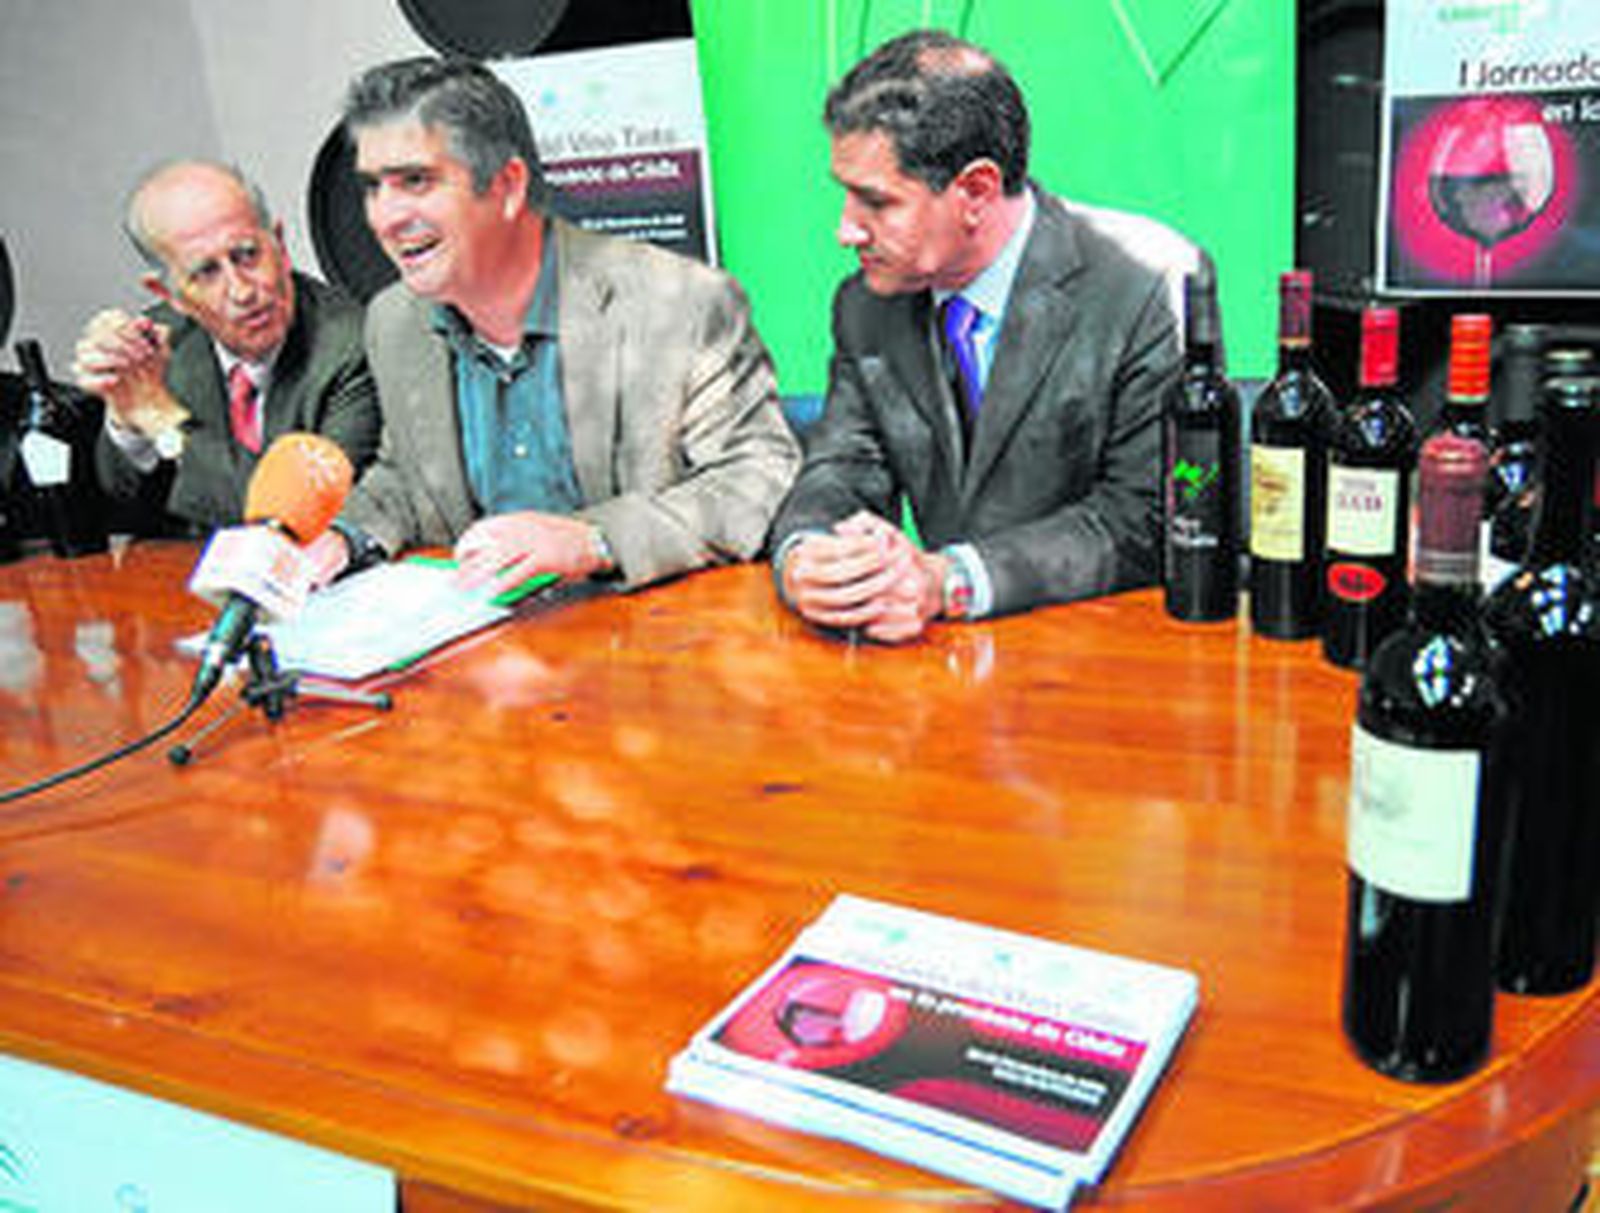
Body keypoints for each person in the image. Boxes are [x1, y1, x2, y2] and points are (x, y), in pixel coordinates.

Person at [771, 30, 1207, 643]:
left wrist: (950, 578)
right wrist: (808, 556)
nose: (847, 230)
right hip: (947, 668)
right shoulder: (865, 306)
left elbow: (1142, 521)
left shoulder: (1146, 283)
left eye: (876, 202)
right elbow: (843, 468)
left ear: (975, 191)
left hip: (1107, 661)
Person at [328, 56, 800, 595]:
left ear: (507, 186)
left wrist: (592, 540)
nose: (385, 218)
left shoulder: (679, 303)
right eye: (373, 187)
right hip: (484, 654)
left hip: (652, 645)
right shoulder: (394, 324)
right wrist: (339, 538)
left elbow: (754, 477)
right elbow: (405, 479)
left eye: (416, 181)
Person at [73, 160, 380, 534]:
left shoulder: (352, 344)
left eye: (248, 255)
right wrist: (127, 417)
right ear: (169, 294)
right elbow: (119, 496)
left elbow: (292, 516)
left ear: (280, 247)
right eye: (206, 272)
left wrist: (161, 421)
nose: (243, 291)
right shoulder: (158, 342)